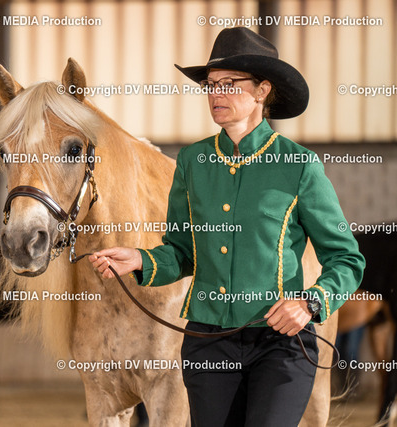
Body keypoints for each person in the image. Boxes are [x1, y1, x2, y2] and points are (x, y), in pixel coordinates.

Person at [90, 27, 365, 426]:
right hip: (208, 342)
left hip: (280, 344)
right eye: (211, 84)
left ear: (262, 91)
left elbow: (347, 259)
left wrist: (311, 303)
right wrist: (141, 260)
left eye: (229, 84)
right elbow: (182, 252)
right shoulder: (192, 162)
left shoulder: (299, 165)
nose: (216, 94)